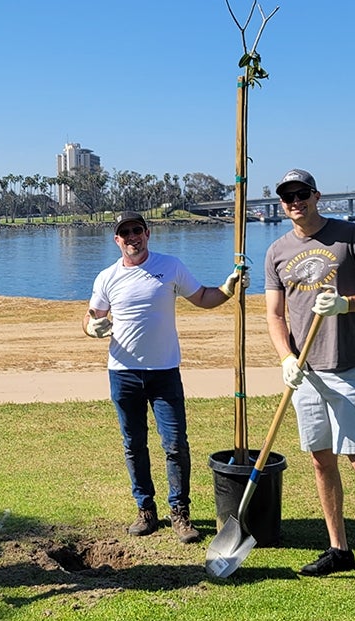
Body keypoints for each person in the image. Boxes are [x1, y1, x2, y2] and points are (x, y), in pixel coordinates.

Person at [263, 169, 355, 607]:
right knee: (321, 463)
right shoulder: (276, 251)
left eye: (301, 194)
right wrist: (286, 357)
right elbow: (275, 316)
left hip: (348, 368)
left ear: (315, 196)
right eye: (287, 196)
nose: (294, 202)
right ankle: (340, 549)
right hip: (306, 374)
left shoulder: (351, 237)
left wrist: (348, 303)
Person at [85, 210, 244, 544]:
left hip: (164, 374)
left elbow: (201, 297)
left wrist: (227, 290)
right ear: (117, 240)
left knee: (174, 445)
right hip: (123, 374)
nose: (132, 237)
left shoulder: (170, 266)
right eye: (125, 233)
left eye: (137, 230)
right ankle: (145, 510)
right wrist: (92, 327)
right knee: (134, 446)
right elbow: (91, 318)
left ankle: (180, 513)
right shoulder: (106, 277)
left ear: (147, 233)